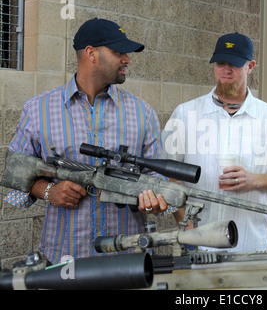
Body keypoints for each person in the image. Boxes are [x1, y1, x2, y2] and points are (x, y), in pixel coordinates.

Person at [5, 18, 177, 264]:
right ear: (91, 53)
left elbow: (158, 176)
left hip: (127, 261)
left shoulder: (142, 113)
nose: (127, 59)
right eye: (118, 51)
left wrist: (155, 200)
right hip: (64, 258)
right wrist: (49, 191)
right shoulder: (39, 110)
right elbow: (15, 173)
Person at [161, 32, 267, 252]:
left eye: (234, 64)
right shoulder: (185, 114)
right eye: (221, 63)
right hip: (199, 244)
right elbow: (169, 178)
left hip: (249, 244)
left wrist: (255, 180)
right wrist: (186, 227)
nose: (226, 70)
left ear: (250, 66)